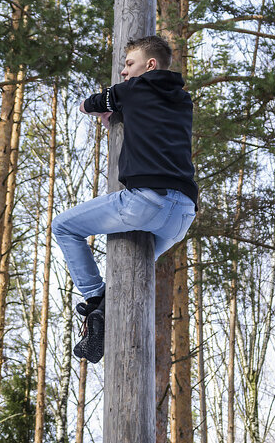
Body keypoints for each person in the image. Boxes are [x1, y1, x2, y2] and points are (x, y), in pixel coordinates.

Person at [52, 34, 197, 363]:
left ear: (150, 65)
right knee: (132, 274)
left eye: (128, 64)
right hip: (182, 214)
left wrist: (111, 105)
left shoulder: (134, 89)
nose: (123, 72)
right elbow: (150, 128)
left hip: (146, 202)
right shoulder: (183, 101)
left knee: (62, 226)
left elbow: (86, 105)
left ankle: (94, 298)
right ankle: (103, 316)